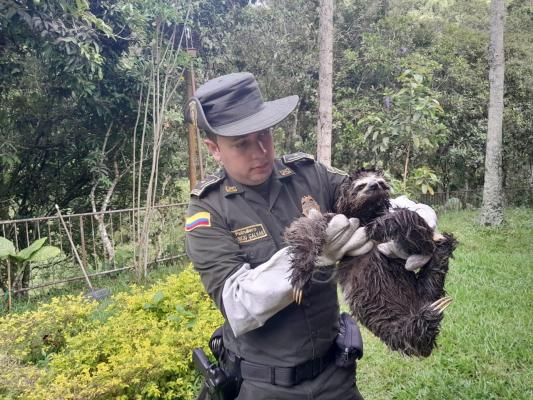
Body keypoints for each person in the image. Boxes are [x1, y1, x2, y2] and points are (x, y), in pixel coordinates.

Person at [184, 72, 436, 400]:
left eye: (264, 135)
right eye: (241, 143)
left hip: (335, 374)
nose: (260, 151)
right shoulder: (207, 210)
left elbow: (370, 199)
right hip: (265, 385)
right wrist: (311, 257)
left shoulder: (307, 174)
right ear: (214, 149)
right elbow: (238, 305)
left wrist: (416, 218)